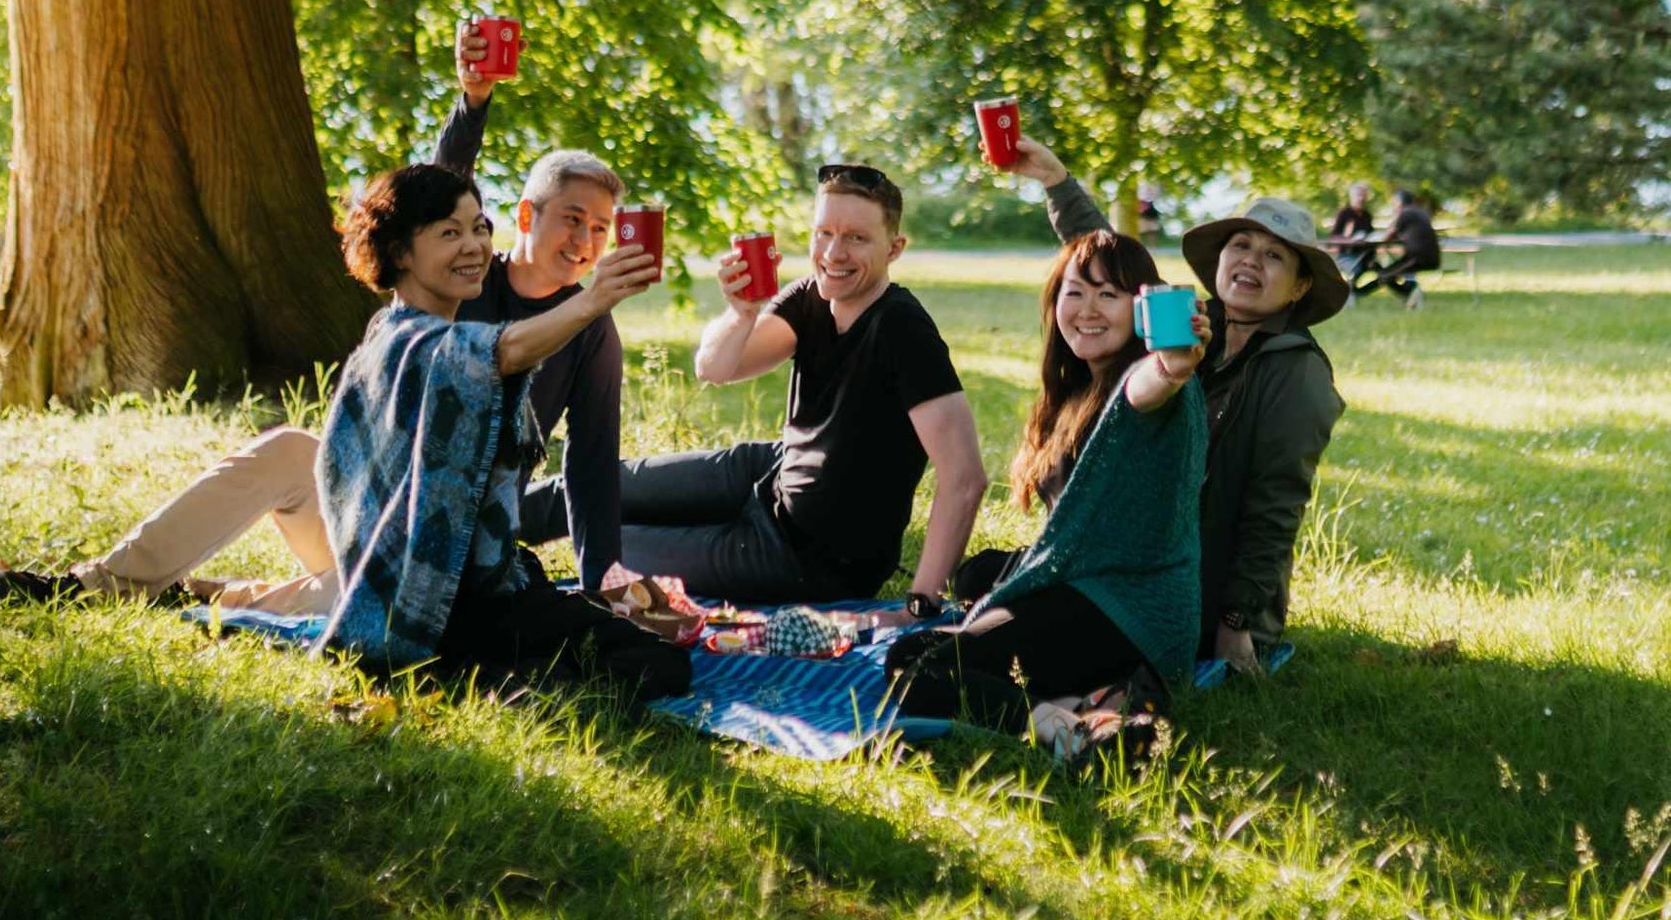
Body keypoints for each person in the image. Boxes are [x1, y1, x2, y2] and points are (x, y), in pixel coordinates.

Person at [0, 24, 632, 612]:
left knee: (382, 594)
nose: (585, 238)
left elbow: (593, 462)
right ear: (526, 217)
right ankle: (95, 587)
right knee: (286, 450)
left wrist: (604, 581)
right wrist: (472, 102)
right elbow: (436, 194)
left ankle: (208, 599)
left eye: (601, 227)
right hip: (369, 500)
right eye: (572, 217)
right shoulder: (465, 274)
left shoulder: (591, 331)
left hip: (446, 544)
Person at [534, 164, 988, 608]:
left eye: (856, 237)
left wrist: (921, 602)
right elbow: (714, 368)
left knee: (605, 541)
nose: (833, 253)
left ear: (894, 248)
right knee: (593, 485)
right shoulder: (810, 295)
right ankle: (470, 528)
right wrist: (742, 313)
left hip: (810, 556)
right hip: (774, 471)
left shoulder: (903, 330)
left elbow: (965, 478)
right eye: (824, 233)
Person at [317, 162, 685, 699]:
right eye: (449, 232)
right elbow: (502, 353)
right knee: (652, 665)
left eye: (478, 228)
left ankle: (499, 678)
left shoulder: (409, 332)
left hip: (476, 583)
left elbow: (591, 462)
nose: (472, 246)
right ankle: (483, 682)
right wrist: (593, 299)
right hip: (437, 601)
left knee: (639, 652)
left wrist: (602, 580)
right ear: (399, 253)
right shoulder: (415, 345)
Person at [1002, 135, 1346, 674]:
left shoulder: (1295, 371)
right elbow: (1111, 274)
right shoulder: (1185, 322)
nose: (1252, 261)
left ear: (1301, 287)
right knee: (988, 579)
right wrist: (1055, 181)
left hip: (1200, 588)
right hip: (1131, 557)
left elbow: (1274, 505)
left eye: (1274, 255)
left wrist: (1236, 623)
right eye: (1242, 246)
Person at [886, 226, 1209, 730]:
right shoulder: (1080, 385)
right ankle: (1093, 693)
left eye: (1109, 295)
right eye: (1074, 291)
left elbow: (1152, 387)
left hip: (1131, 611)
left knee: (917, 668)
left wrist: (1172, 366)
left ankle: (1066, 726)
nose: (1087, 309)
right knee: (975, 575)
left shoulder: (1141, 382)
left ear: (1142, 310)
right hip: (1089, 583)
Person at [1353, 188, 1440, 310]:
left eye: (1394, 203)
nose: (1393, 206)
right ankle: (1410, 293)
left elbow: (1388, 236)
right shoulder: (1419, 212)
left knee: (1385, 275)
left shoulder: (1405, 213)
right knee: (1385, 272)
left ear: (1399, 202)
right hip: (1428, 257)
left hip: (1417, 258)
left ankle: (1356, 292)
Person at [1326, 182, 1376, 283]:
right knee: (1357, 270)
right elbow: (1333, 237)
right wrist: (1349, 240)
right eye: (1358, 195)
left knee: (1382, 271)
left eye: (1364, 195)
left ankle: (1357, 291)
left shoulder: (1367, 215)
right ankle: (1351, 290)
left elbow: (1371, 234)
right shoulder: (1344, 213)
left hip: (1366, 255)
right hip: (1348, 255)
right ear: (1351, 196)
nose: (1361, 198)